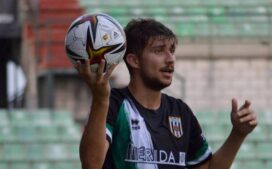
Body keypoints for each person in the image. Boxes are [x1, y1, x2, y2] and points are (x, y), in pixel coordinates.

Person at [76, 18, 257, 169]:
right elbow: (91, 165)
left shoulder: (180, 111)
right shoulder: (113, 103)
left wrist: (238, 134)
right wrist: (100, 100)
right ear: (134, 60)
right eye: (159, 50)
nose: (170, 59)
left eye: (172, 50)